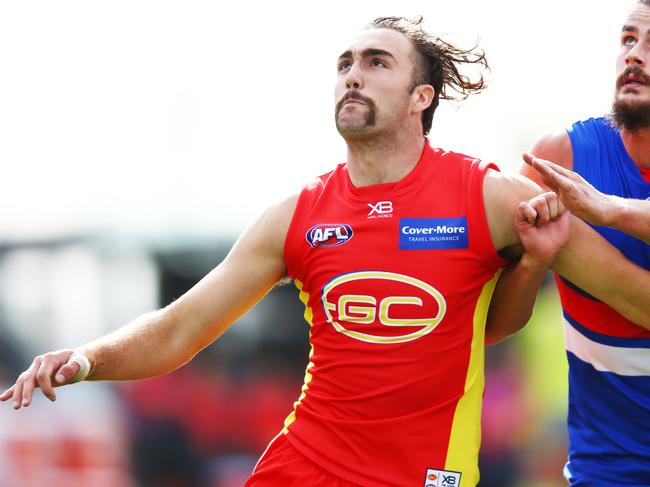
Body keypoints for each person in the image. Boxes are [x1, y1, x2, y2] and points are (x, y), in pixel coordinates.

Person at [2, 16, 650, 487]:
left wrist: (534, 261)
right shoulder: (298, 214)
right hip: (304, 462)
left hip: (423, 474)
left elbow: (610, 293)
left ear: (421, 98)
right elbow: (181, 326)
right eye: (345, 62)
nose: (352, 75)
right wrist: (86, 357)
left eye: (376, 62)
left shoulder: (488, 195)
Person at [517, 2, 650, 484]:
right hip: (608, 470)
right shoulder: (563, 158)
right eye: (628, 40)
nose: (633, 56)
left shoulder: (584, 194)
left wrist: (609, 210)